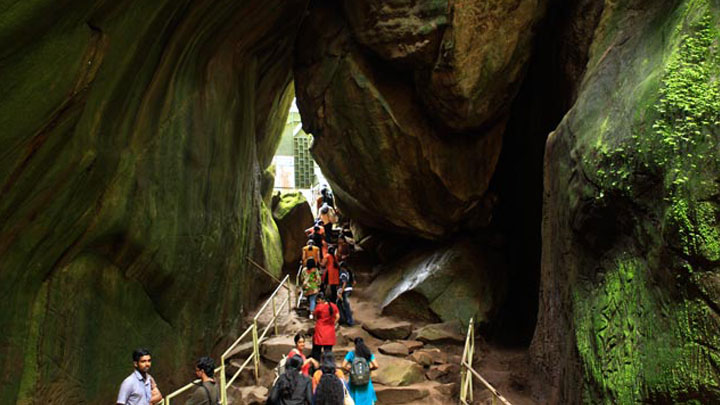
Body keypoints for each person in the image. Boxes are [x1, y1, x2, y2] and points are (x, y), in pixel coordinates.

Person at [342, 338, 379, 405]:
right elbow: (376, 365)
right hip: (366, 380)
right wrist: (369, 369)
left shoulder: (351, 354)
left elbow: (343, 365)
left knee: (354, 399)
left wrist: (350, 370)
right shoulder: (367, 353)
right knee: (367, 399)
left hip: (354, 380)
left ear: (355, 344)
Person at [311, 293, 339, 362]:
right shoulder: (333, 305)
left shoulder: (319, 307)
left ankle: (316, 367)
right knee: (328, 352)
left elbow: (314, 317)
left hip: (320, 330)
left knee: (316, 351)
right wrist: (333, 323)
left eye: (317, 300)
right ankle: (329, 367)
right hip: (330, 331)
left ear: (320, 300)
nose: (317, 302)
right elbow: (338, 316)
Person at [337, 262, 355, 326]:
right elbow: (354, 282)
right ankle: (346, 319)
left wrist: (341, 291)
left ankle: (348, 320)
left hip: (345, 290)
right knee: (343, 304)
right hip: (349, 289)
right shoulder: (349, 272)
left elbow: (344, 282)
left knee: (344, 305)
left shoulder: (342, 272)